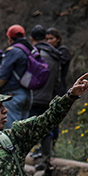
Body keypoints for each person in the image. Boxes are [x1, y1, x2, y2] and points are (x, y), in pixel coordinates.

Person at [26, 25, 63, 166]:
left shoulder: (35, 53)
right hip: (48, 97)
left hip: (34, 97)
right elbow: (58, 80)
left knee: (27, 128)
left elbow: (28, 76)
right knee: (45, 128)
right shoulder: (55, 55)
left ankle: (20, 157)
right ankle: (46, 158)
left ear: (32, 38)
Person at [0, 25, 33, 128]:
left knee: (11, 131)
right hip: (27, 95)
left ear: (10, 38)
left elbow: (3, 75)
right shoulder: (30, 50)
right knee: (22, 132)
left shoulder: (13, 51)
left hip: (13, 95)